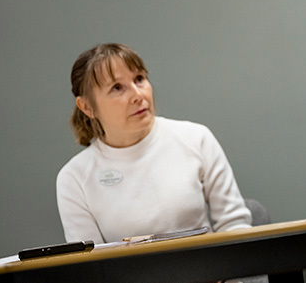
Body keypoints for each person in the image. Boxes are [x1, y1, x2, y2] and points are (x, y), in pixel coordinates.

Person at [56, 43, 252, 243]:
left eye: (139, 79)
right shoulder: (74, 179)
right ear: (87, 107)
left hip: (210, 265)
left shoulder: (196, 138)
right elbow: (91, 260)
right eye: (117, 88)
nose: (138, 95)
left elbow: (235, 225)